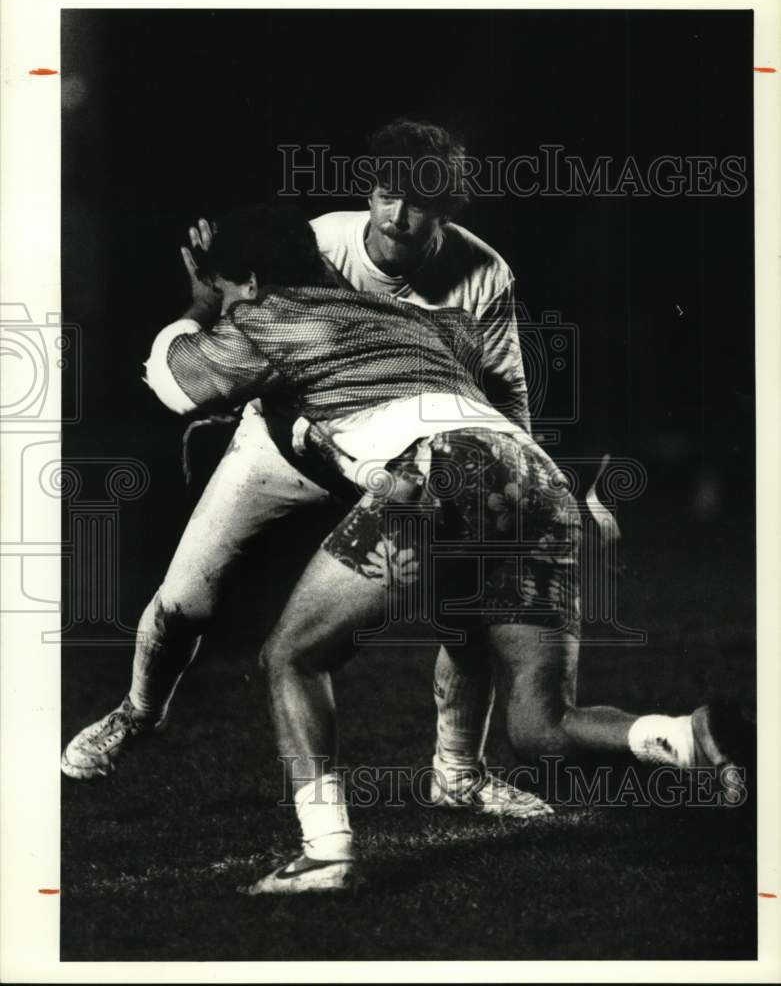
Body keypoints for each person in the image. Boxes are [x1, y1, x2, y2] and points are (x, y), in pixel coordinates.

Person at [131, 204, 740, 894]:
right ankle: (691, 735)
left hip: (449, 470)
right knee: (540, 727)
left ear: (245, 277)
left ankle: (325, 856)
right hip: (541, 481)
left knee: (293, 655)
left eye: (228, 286)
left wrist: (198, 303)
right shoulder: (408, 320)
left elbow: (172, 384)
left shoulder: (264, 314)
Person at [61, 121, 549, 819]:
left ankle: (458, 776)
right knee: (184, 598)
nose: (397, 215)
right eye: (386, 194)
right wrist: (215, 301)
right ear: (368, 191)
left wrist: (517, 485)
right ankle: (137, 713)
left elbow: (505, 388)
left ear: (449, 208)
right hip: (286, 444)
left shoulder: (483, 273)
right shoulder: (318, 243)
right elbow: (249, 337)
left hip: (399, 459)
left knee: (465, 611)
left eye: (418, 201)